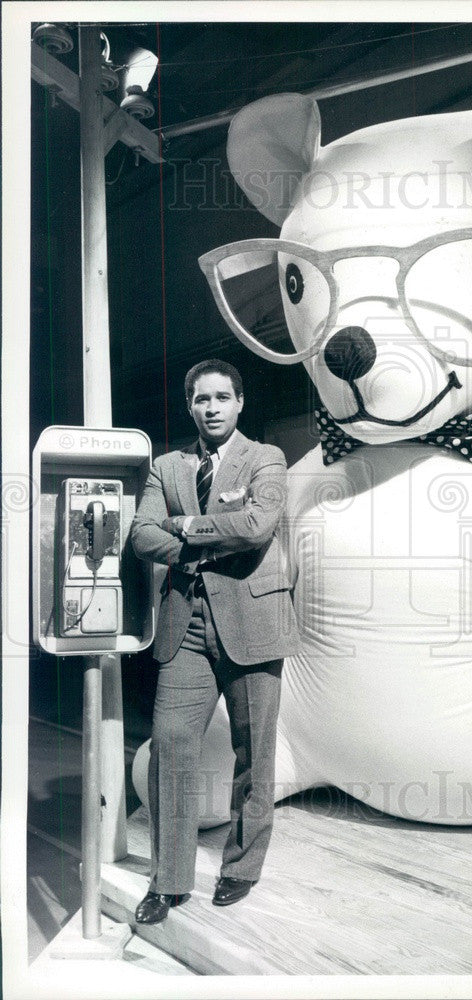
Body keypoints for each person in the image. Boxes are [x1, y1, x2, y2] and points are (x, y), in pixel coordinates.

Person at [130, 358, 299, 923]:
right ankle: (169, 881)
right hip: (187, 626)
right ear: (189, 406)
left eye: (222, 398)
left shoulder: (265, 457)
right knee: (170, 745)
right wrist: (199, 536)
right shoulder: (166, 467)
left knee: (254, 757)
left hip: (253, 626)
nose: (212, 408)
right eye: (202, 399)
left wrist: (185, 526)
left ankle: (240, 869)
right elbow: (141, 535)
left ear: (240, 403)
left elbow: (256, 527)